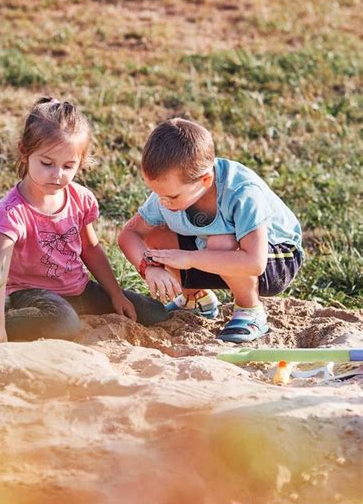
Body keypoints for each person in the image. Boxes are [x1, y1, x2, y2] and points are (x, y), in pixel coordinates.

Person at [0, 97, 168, 344]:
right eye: (47, 163)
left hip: (79, 291)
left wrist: (115, 294)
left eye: (69, 166)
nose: (57, 175)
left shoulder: (80, 198)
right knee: (64, 324)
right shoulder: (12, 212)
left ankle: (61, 313)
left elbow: (90, 249)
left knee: (155, 312)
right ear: (25, 152)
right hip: (31, 293)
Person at [118, 118, 303, 343]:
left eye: (172, 196)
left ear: (205, 179)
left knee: (221, 241)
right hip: (210, 249)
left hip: (276, 258)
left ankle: (250, 310)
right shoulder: (172, 192)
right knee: (157, 233)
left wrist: (188, 258)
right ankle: (196, 298)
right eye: (158, 194)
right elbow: (130, 234)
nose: (163, 202)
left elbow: (255, 262)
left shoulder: (241, 192)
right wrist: (149, 268)